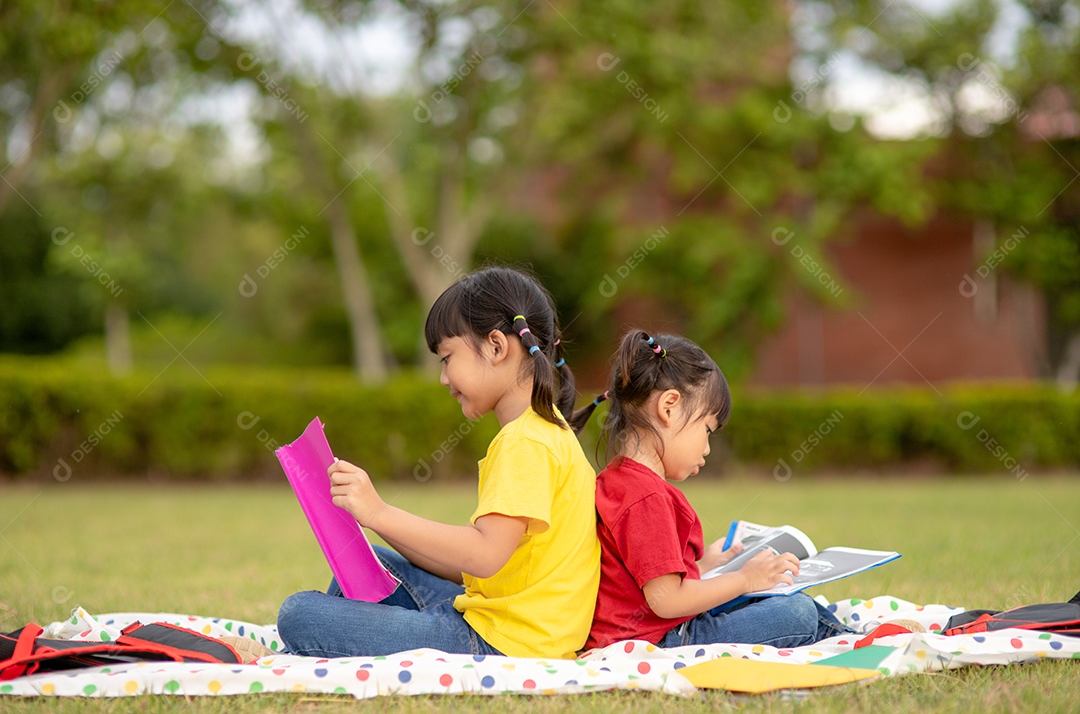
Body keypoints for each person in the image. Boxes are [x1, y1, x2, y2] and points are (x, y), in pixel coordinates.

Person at [277, 267, 601, 659]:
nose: (444, 379)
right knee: (372, 562)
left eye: (447, 358)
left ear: (497, 346)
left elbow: (483, 555)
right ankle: (347, 644)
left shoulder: (525, 443)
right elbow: (472, 563)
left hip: (502, 644)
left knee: (298, 615)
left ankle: (332, 646)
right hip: (515, 628)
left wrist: (378, 512)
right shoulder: (546, 431)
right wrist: (371, 518)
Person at [578, 330, 852, 651]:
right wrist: (744, 579)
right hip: (662, 639)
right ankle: (847, 637)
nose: (707, 448)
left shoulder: (617, 482)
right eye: (707, 430)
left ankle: (841, 632)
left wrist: (705, 566)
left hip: (652, 631)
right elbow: (666, 601)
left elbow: (642, 578)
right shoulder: (647, 497)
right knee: (797, 612)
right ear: (669, 407)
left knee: (779, 597)